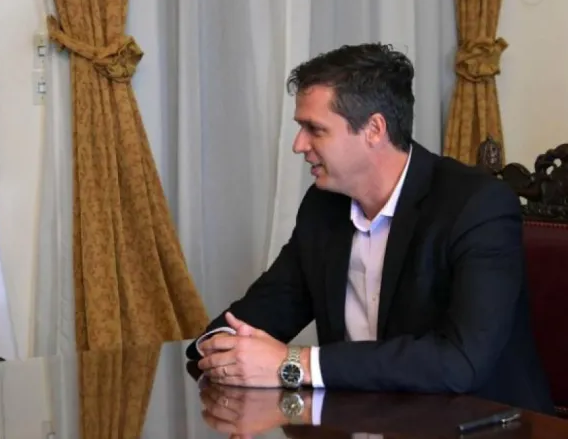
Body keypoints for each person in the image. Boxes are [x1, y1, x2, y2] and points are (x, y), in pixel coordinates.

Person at [187, 43, 554, 414]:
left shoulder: (477, 206)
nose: (299, 145)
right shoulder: (323, 206)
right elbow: (260, 311)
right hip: (362, 421)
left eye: (315, 129)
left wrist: (294, 363)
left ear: (374, 129)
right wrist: (221, 346)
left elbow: (461, 361)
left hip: (481, 422)